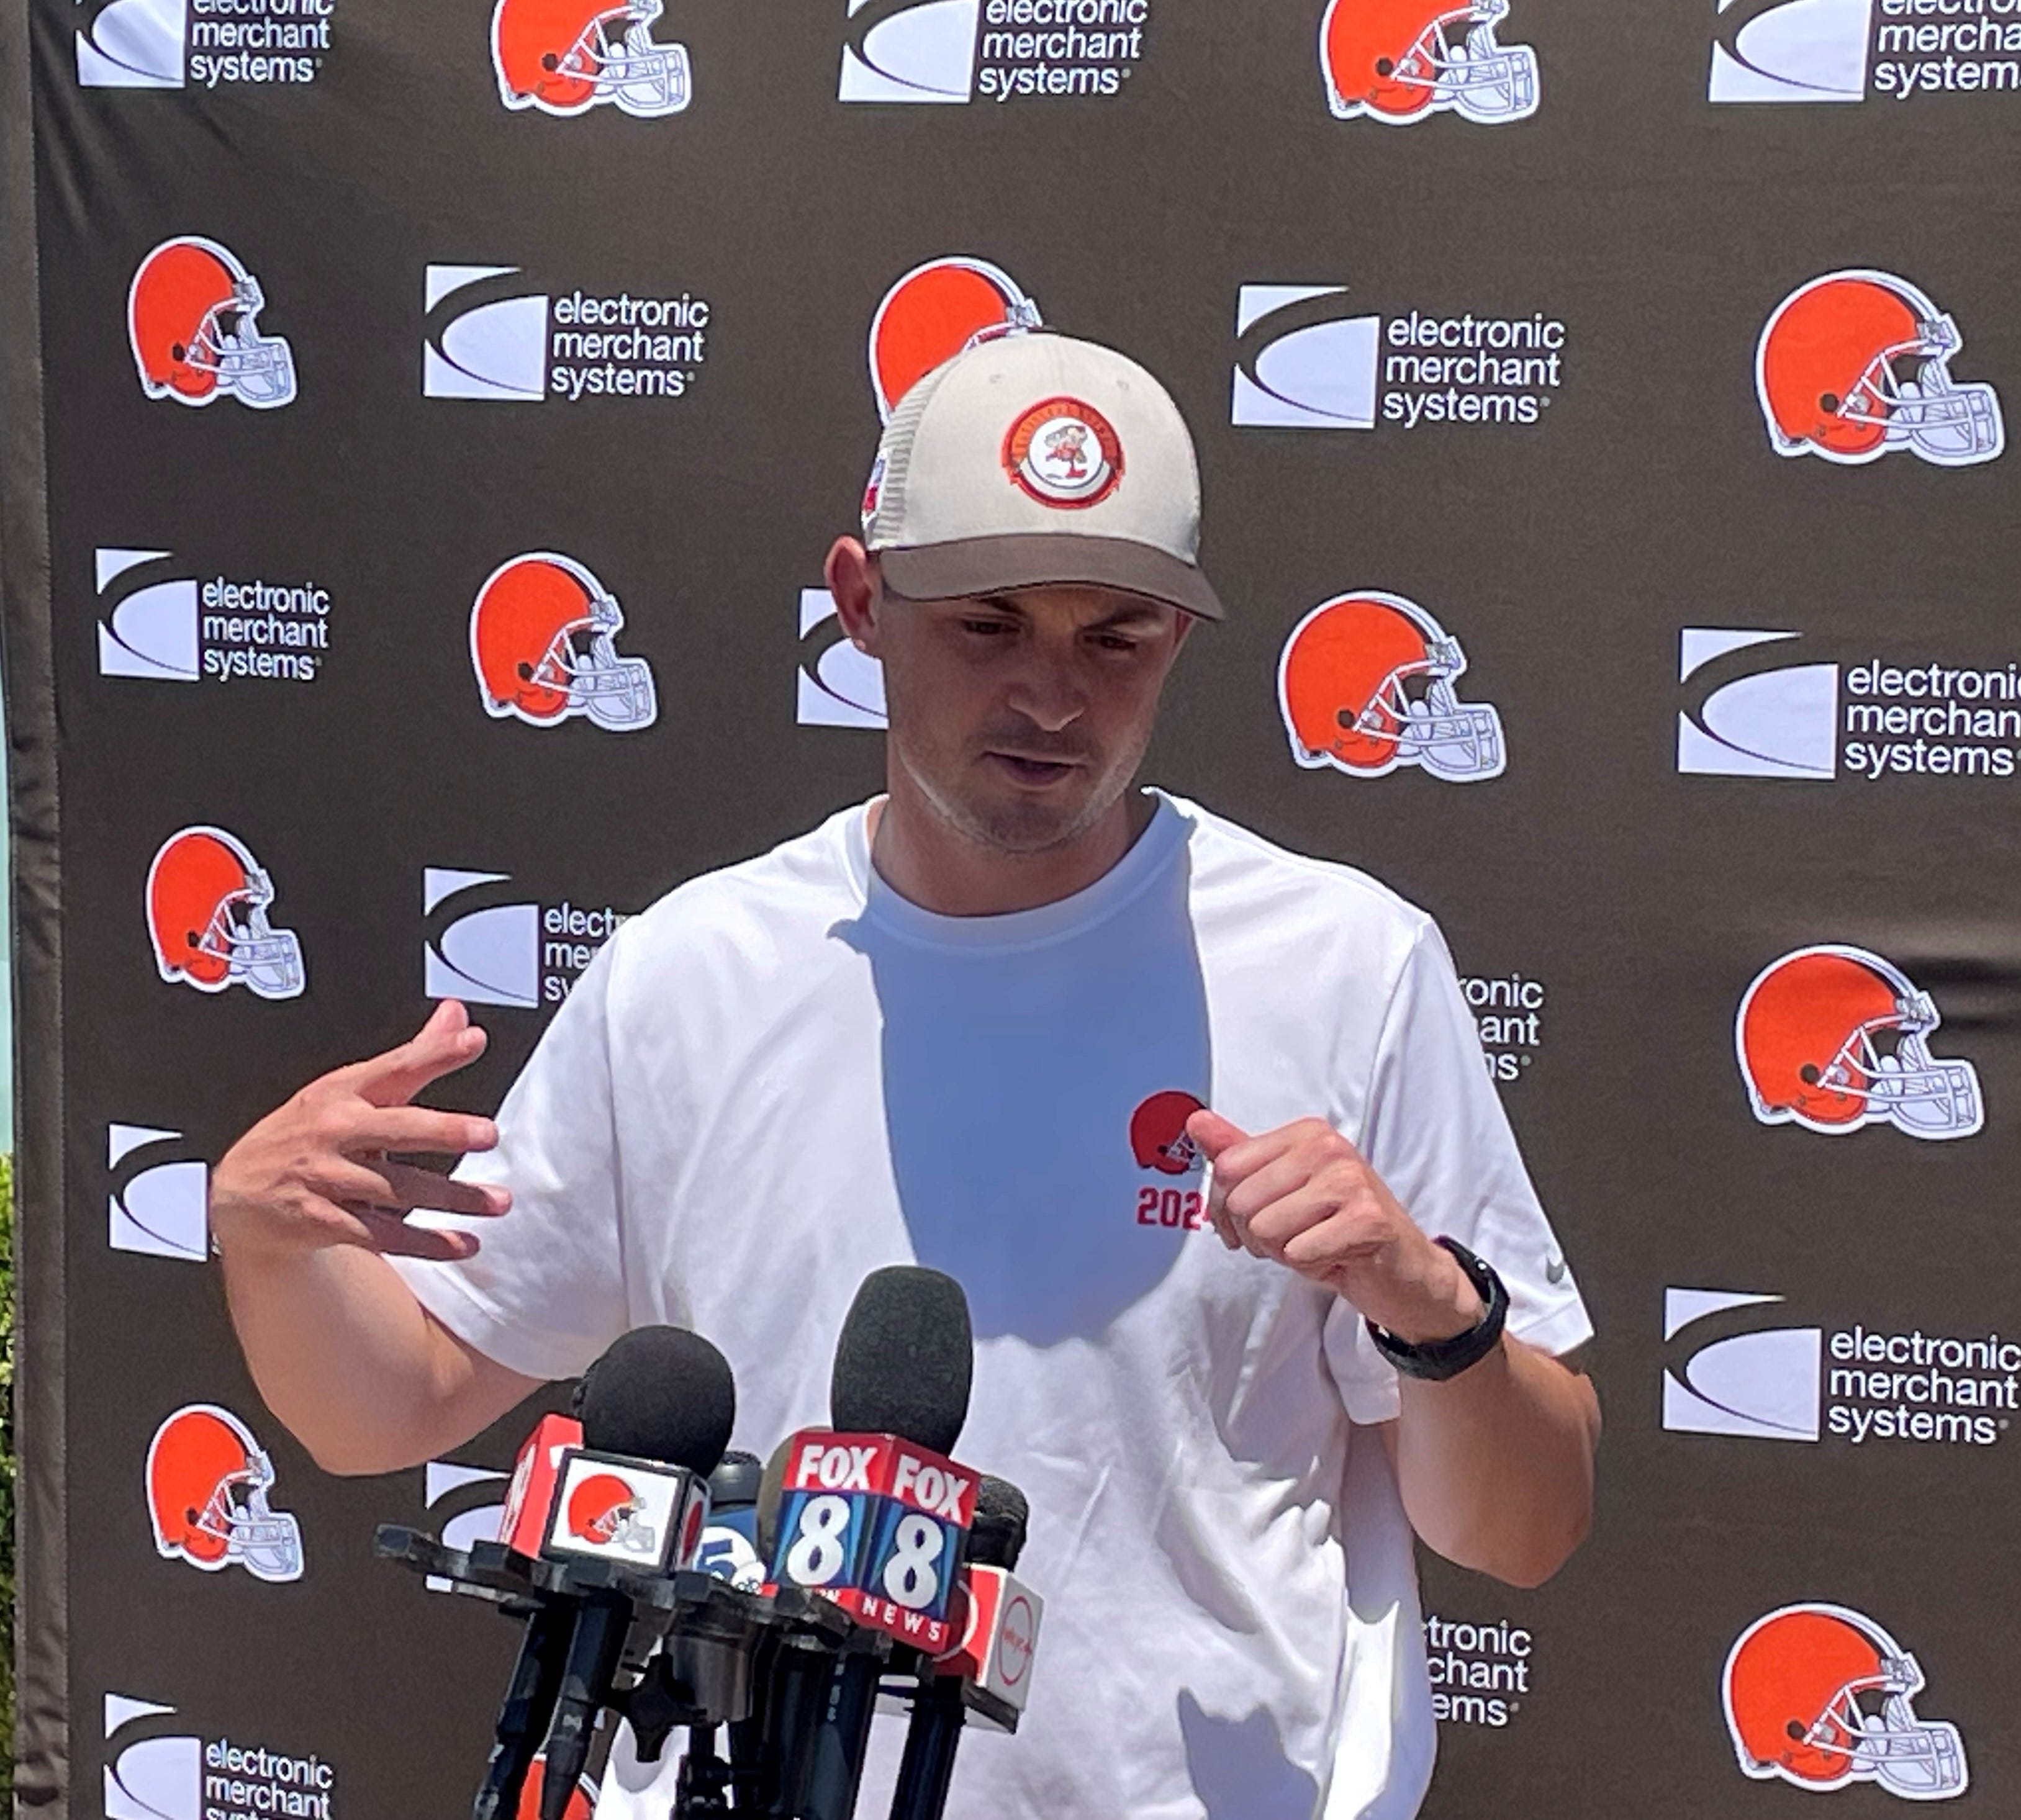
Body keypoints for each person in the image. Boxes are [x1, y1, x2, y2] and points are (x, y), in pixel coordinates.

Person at [211, 330, 1599, 1820]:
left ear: (1179, 643)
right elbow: (387, 1403)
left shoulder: (1346, 964)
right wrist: (267, 1231)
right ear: (861, 603)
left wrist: (1435, 1317)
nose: (1053, 696)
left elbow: (1525, 1525)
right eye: (989, 623)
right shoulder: (691, 969)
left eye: (1113, 635)